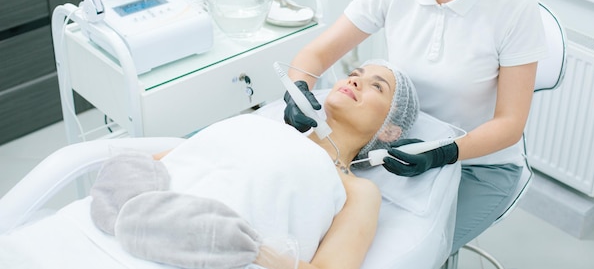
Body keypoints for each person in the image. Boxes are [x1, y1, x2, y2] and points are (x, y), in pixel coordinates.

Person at [283, 0, 547, 255]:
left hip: (479, 165)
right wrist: (298, 88)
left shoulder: (514, 9)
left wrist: (444, 151)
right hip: (397, 144)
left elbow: (510, 124)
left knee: (408, 255)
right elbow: (318, 53)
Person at [89, 60, 419, 269]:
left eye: (377, 86)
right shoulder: (264, 125)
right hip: (124, 232)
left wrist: (251, 250)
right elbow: (162, 164)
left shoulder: (357, 190)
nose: (355, 81)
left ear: (390, 129)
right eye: (354, 74)